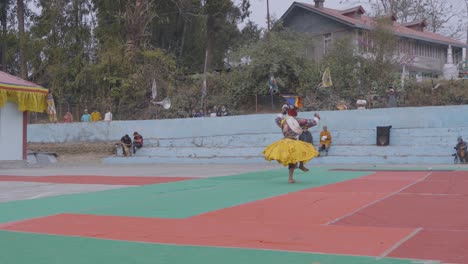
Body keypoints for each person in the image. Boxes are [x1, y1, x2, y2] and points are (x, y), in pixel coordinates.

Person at [263, 108, 320, 183]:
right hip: (293, 142)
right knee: (304, 151)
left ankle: (291, 178)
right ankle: (300, 166)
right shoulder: (297, 120)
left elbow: (277, 119)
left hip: (284, 142)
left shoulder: (282, 120)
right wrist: (317, 117)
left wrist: (282, 112)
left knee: (292, 159)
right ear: (295, 115)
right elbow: (312, 122)